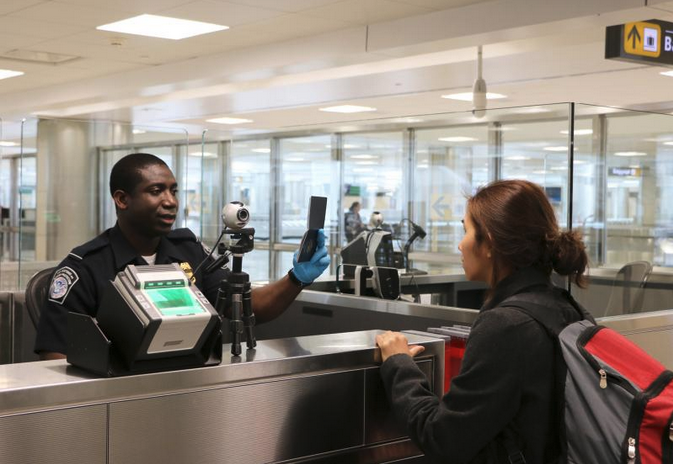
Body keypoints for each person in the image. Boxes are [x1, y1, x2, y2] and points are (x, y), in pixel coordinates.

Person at [35, 153, 330, 360]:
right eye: (156, 191)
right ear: (122, 199)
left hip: (190, 386)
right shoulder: (86, 267)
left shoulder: (188, 250)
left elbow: (244, 310)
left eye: (173, 191)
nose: (170, 201)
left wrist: (296, 279)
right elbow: (55, 354)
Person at [375, 179, 589, 463]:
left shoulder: (506, 326)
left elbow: (442, 439)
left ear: (488, 243)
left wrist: (399, 365)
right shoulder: (566, 308)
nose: (460, 245)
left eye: (466, 231)